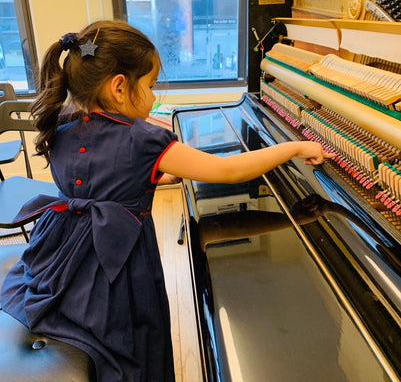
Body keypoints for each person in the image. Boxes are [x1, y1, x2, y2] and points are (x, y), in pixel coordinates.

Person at [0, 20, 332, 382]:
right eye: (152, 86)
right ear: (119, 88)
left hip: (63, 255)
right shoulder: (143, 140)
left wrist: (154, 174)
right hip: (118, 265)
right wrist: (296, 146)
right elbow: (229, 171)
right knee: (142, 336)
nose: (155, 97)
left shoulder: (62, 122)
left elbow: (101, 178)